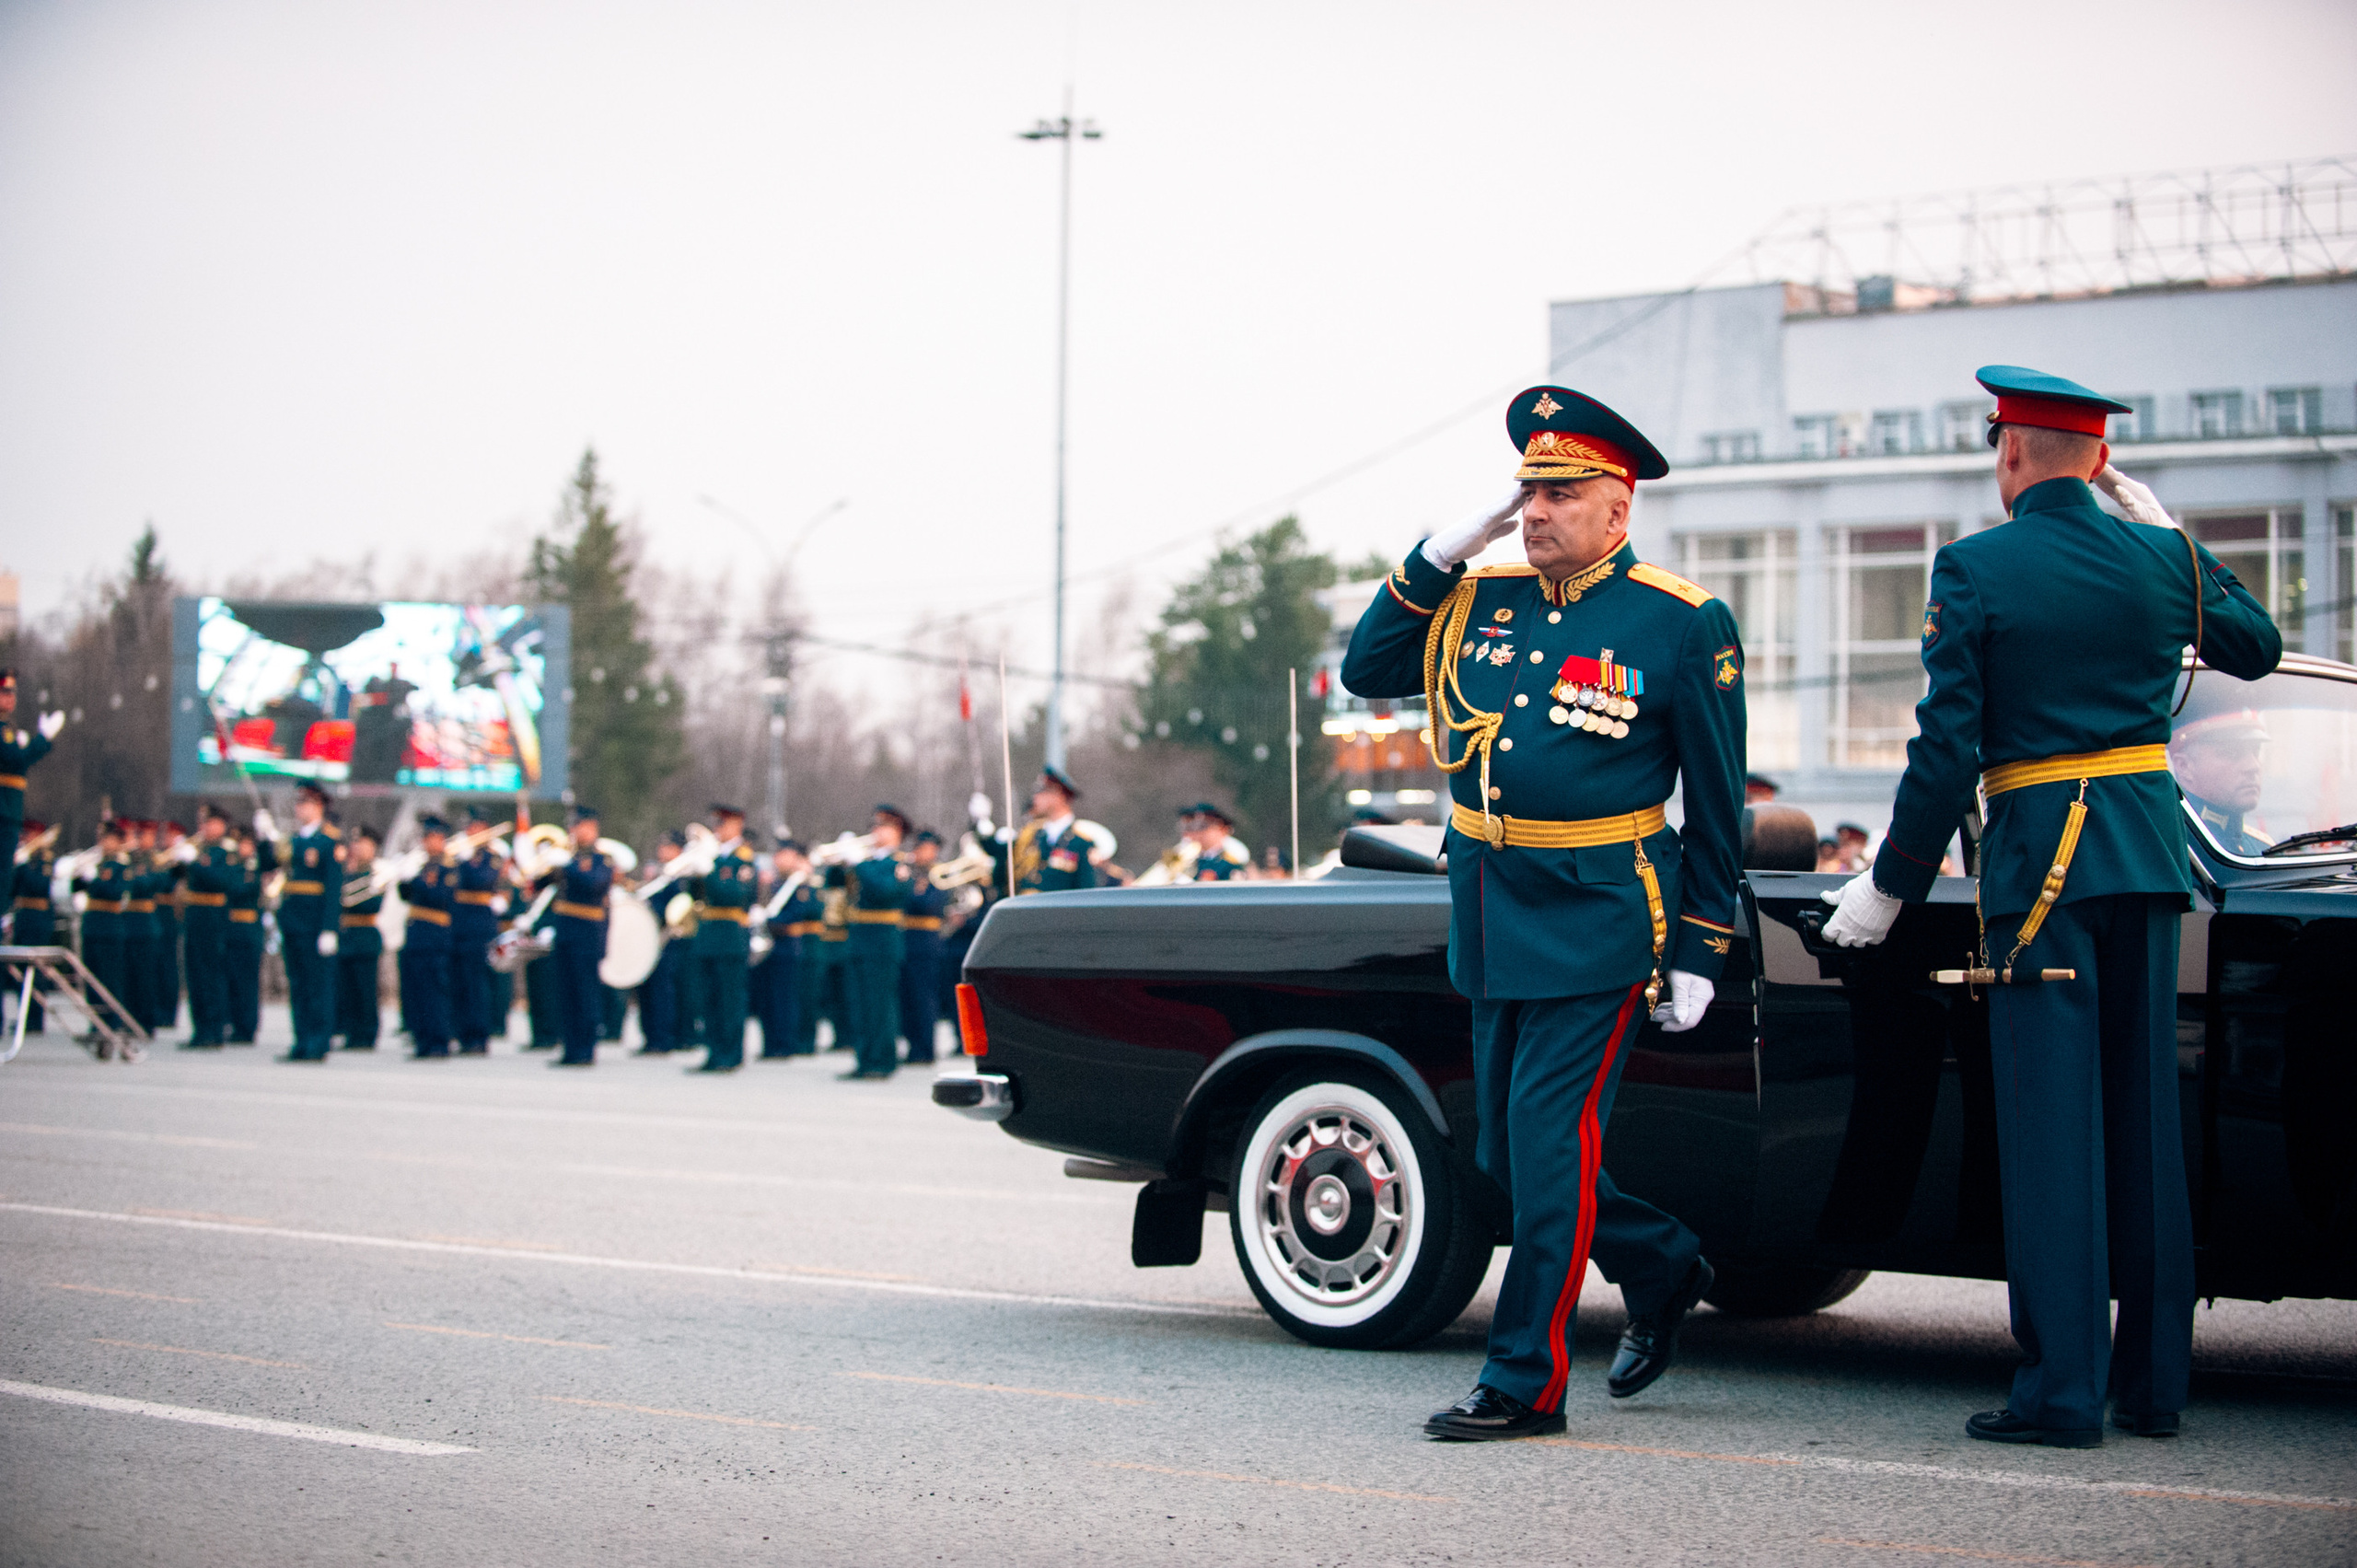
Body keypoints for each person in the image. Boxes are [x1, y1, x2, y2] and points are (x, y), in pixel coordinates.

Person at [1819, 364, 2282, 1448]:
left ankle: (2061, 1392)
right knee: (2144, 1132)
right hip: (2146, 858)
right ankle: (2154, 1384)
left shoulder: (1975, 567)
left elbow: (1945, 752)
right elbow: (2253, 646)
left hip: (2042, 873)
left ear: (2011, 451)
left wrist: (1889, 886)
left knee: (2052, 1134)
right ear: (2104, 462)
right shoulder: (2163, 558)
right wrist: (2173, 536)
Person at [1341, 383, 1745, 1442]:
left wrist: (1701, 941)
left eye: (1561, 493)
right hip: (1489, 901)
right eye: (1528, 490)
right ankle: (1660, 1261)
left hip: (1601, 912)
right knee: (1505, 1159)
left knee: (1549, 1144)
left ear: (1618, 504)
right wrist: (1440, 554)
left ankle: (1525, 1379)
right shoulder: (1483, 597)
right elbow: (1366, 669)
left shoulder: (1679, 618)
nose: (1536, 512)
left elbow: (1715, 794)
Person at [842, 806, 914, 1080]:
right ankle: (864, 1058)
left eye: (882, 826)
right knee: (860, 1003)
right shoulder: (869, 862)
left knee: (880, 1004)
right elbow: (838, 887)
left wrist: (858, 863)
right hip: (860, 937)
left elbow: (885, 892)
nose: (875, 831)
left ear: (897, 832)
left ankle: (883, 1060)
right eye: (874, 825)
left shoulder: (900, 865)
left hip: (883, 939)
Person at [273, 784, 343, 1062]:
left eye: (306, 804)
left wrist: (329, 928)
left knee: (318, 985)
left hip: (315, 923)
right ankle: (301, 1040)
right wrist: (268, 838)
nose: (299, 808)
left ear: (319, 807)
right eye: (299, 803)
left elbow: (333, 888)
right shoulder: (293, 840)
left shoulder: (329, 841)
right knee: (299, 983)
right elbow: (272, 864)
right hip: (293, 922)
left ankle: (318, 1041)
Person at [546, 807, 615, 1067]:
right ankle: (570, 1047)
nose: (577, 831)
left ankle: (585, 1049)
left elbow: (594, 884)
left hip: (587, 933)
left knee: (586, 993)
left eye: (582, 826)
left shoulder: (602, 859)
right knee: (567, 992)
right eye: (575, 826)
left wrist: (568, 867)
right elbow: (540, 884)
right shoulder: (569, 856)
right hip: (565, 931)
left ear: (593, 828)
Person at [689, 805, 756, 1073]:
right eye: (716, 825)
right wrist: (696, 873)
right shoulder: (714, 856)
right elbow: (696, 897)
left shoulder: (744, 858)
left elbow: (734, 895)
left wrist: (710, 871)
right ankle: (714, 1052)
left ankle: (730, 1054)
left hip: (731, 936)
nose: (718, 830)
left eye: (723, 824)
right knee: (710, 999)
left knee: (730, 1000)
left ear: (737, 825)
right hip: (709, 934)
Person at [2166, 698, 2272, 854]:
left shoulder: (2261, 847)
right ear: (2184, 766)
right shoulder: (2169, 848)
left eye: (2255, 751)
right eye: (2231, 753)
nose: (2253, 766)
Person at [981, 767, 1100, 898]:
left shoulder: (1081, 843)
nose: (1035, 797)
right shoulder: (1031, 835)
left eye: (1042, 791)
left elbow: (1086, 893)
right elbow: (999, 852)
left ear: (1058, 795)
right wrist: (980, 825)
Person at [397, 815, 458, 1058]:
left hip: (436, 936)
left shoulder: (449, 867)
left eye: (433, 838)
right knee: (418, 992)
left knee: (435, 992)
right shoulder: (423, 865)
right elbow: (406, 896)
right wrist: (404, 879)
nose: (429, 842)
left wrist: (417, 881)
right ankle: (422, 1040)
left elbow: (440, 896)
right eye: (426, 838)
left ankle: (438, 1042)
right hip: (416, 935)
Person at [178, 807, 238, 1048]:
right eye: (203, 822)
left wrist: (195, 864)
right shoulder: (199, 849)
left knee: (212, 976)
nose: (205, 827)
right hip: (194, 917)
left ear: (221, 825)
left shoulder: (227, 852)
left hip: (214, 918)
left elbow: (221, 881)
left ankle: (214, 1029)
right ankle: (200, 1028)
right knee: (195, 975)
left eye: (211, 823)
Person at [0, 669, 65, 880]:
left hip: (8, 811)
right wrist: (42, 740)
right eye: (4, 692)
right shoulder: (2, 729)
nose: (10, 697)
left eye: (12, 692)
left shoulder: (7, 728)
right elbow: (16, 761)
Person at [73, 820, 137, 1037]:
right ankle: (96, 1023)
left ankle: (112, 1022)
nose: (103, 842)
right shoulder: (97, 863)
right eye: (101, 837)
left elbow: (116, 892)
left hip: (110, 926)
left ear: (118, 841)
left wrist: (94, 881)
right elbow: (76, 888)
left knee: (110, 978)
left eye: (108, 838)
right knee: (92, 977)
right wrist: (79, 874)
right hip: (92, 925)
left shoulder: (122, 865)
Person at [450, 807, 504, 1053]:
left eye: (476, 827)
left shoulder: (491, 855)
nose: (471, 831)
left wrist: (463, 859)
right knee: (459, 982)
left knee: (476, 984)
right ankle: (461, 1033)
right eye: (469, 827)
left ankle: (478, 1036)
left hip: (479, 925)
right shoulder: (458, 855)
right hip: (457, 924)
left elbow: (480, 879)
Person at [757, 839, 817, 1060]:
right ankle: (770, 1043)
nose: (780, 858)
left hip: (787, 944)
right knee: (767, 998)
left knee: (784, 998)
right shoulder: (772, 883)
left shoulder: (799, 883)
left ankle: (784, 1043)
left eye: (786, 854)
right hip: (767, 946)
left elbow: (797, 912)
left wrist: (770, 920)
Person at [636, 830, 691, 1054]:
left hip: (670, 941)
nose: (662, 851)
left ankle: (663, 1038)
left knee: (663, 992)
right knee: (647, 990)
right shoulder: (660, 876)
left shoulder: (681, 877)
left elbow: (677, 906)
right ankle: (650, 1037)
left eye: (668, 847)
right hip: (650, 939)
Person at [897, 830, 948, 1063]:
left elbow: (928, 904)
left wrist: (908, 889)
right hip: (906, 940)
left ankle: (925, 1048)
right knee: (907, 997)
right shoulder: (911, 874)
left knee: (923, 998)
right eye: (918, 848)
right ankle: (912, 1045)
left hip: (927, 942)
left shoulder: (941, 875)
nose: (920, 854)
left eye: (926, 849)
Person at [336, 824, 386, 1050]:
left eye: (363, 844)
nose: (358, 848)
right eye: (355, 843)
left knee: (365, 989)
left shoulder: (377, 873)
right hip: (345, 934)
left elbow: (372, 904)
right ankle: (349, 1030)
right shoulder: (345, 871)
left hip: (365, 934)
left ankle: (366, 1033)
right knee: (346, 988)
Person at [223, 824, 273, 1043]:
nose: (243, 848)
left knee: (247, 983)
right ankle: (233, 1024)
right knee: (231, 980)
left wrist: (265, 839)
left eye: (247, 844)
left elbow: (238, 890)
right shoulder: (234, 866)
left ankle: (247, 1027)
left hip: (249, 930)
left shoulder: (255, 868)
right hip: (232, 929)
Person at [9, 820, 57, 1033]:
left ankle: (35, 1020)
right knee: (21, 970)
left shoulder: (44, 859)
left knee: (35, 970)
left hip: (38, 920)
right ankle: (23, 1016)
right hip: (23, 918)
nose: (25, 838)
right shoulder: (25, 858)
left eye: (29, 834)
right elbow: (12, 888)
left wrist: (23, 865)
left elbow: (40, 886)